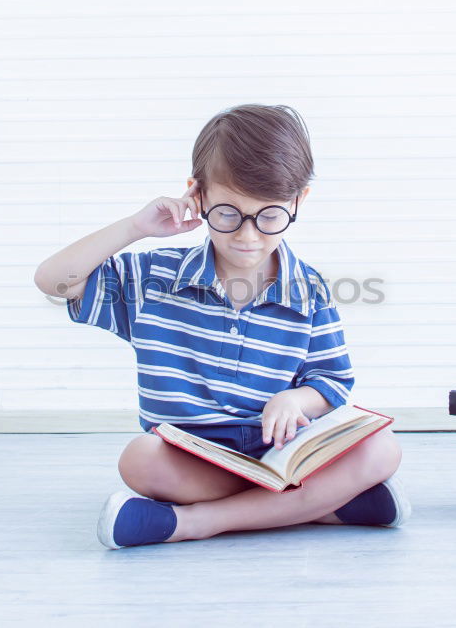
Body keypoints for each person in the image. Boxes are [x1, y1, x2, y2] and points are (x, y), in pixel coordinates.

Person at [34, 104, 410, 549]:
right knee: (140, 461)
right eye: (228, 213)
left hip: (282, 450)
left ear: (298, 201)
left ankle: (193, 522)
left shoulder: (309, 290)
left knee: (383, 447)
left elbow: (331, 381)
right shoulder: (154, 279)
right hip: (193, 456)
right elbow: (54, 280)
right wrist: (136, 228)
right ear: (198, 194)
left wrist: (295, 399)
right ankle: (322, 507)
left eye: (269, 216)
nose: (247, 236)